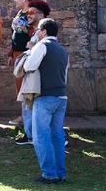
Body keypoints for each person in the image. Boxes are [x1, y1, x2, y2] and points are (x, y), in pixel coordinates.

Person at [23, 18, 69, 184]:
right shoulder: (63, 51)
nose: (37, 33)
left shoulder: (42, 46)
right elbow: (65, 75)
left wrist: (30, 49)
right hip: (61, 96)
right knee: (57, 135)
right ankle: (60, 173)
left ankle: (49, 174)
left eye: (38, 31)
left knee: (41, 136)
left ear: (43, 31)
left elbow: (29, 66)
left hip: (45, 97)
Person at [8, 0, 43, 142]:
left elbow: (31, 35)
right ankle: (27, 122)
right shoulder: (20, 13)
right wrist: (11, 52)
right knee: (21, 89)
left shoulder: (31, 14)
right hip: (17, 54)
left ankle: (30, 128)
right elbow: (16, 35)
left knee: (26, 90)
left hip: (26, 55)